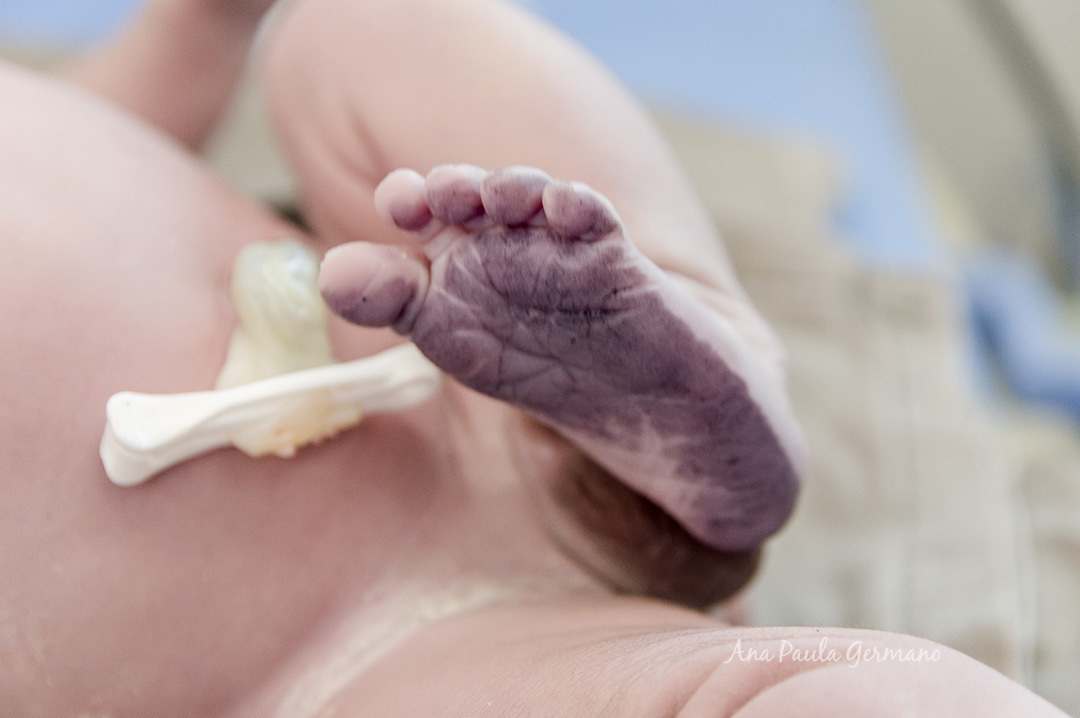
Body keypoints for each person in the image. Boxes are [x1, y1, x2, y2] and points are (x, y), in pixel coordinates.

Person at [0, 0, 1065, 714]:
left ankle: (688, 326)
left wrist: (195, 25)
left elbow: (103, 124)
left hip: (468, 395)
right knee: (844, 697)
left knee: (357, 28)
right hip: (359, 662)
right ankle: (721, 655)